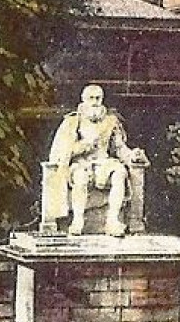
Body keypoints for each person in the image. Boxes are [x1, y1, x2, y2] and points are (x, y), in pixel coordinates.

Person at [45, 84, 148, 236]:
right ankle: (78, 221)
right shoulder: (73, 121)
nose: (94, 102)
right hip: (80, 164)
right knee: (81, 177)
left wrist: (133, 155)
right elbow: (63, 151)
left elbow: (119, 148)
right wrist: (83, 146)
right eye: (91, 98)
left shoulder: (111, 122)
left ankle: (112, 221)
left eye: (98, 98)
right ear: (83, 99)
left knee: (120, 173)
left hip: (103, 164)